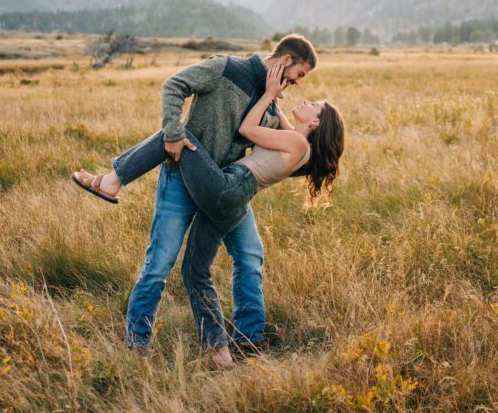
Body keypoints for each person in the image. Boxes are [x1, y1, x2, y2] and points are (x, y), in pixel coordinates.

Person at [75, 61, 345, 368]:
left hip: (227, 188)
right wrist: (271, 93)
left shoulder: (296, 142)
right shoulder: (295, 139)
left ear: (315, 125)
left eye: (315, 107)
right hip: (233, 200)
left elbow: (247, 129)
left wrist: (268, 93)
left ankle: (113, 180)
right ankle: (219, 352)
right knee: (194, 271)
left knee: (180, 133)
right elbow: (280, 119)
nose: (307, 100)